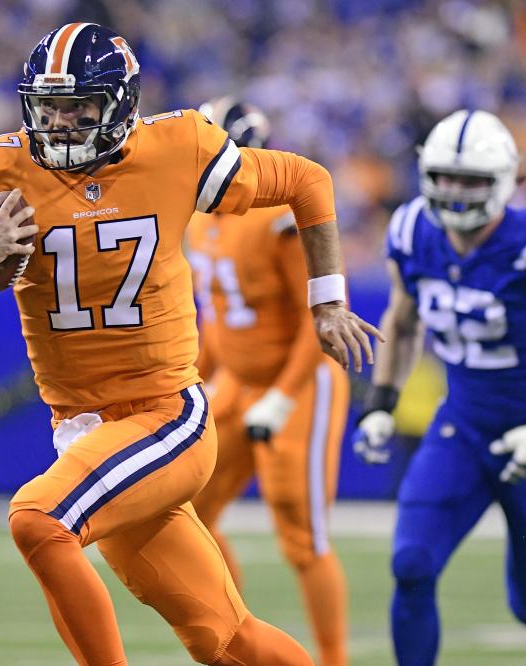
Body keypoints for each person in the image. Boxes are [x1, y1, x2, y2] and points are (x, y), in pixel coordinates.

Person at [0, 23, 379, 665]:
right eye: (47, 107)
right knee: (223, 639)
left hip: (164, 414)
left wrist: (327, 300)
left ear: (119, 103)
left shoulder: (177, 146)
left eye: (78, 106)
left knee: (38, 518)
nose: (60, 122)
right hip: (82, 427)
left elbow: (307, 181)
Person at [352, 109, 526, 666]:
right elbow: (403, 321)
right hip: (463, 427)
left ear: (506, 180)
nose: (455, 192)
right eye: (445, 176)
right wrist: (383, 402)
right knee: (410, 565)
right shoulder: (413, 232)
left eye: (471, 180)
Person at [186, 98, 350, 666]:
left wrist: (281, 397)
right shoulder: (194, 216)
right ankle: (237, 646)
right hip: (238, 380)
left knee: (303, 538)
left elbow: (319, 318)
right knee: (187, 512)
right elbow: (218, 317)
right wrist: (195, 381)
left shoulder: (277, 215)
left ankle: (332, 660)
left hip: (300, 382)